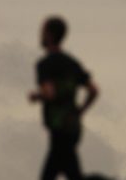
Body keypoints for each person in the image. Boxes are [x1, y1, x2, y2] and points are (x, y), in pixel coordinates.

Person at [29, 16, 99, 180]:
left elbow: (50, 93)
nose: (41, 35)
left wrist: (36, 96)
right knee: (72, 173)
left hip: (59, 127)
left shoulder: (45, 64)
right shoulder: (72, 63)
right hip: (73, 127)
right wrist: (80, 111)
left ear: (50, 35)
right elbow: (93, 90)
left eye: (43, 31)